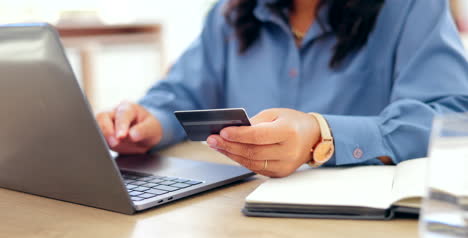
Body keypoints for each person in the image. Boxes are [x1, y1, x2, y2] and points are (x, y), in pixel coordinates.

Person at [96, 0, 468, 177]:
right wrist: (150, 121)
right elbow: (183, 92)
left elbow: (451, 115)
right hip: (240, 223)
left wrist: (323, 135)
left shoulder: (412, 8)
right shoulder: (228, 13)